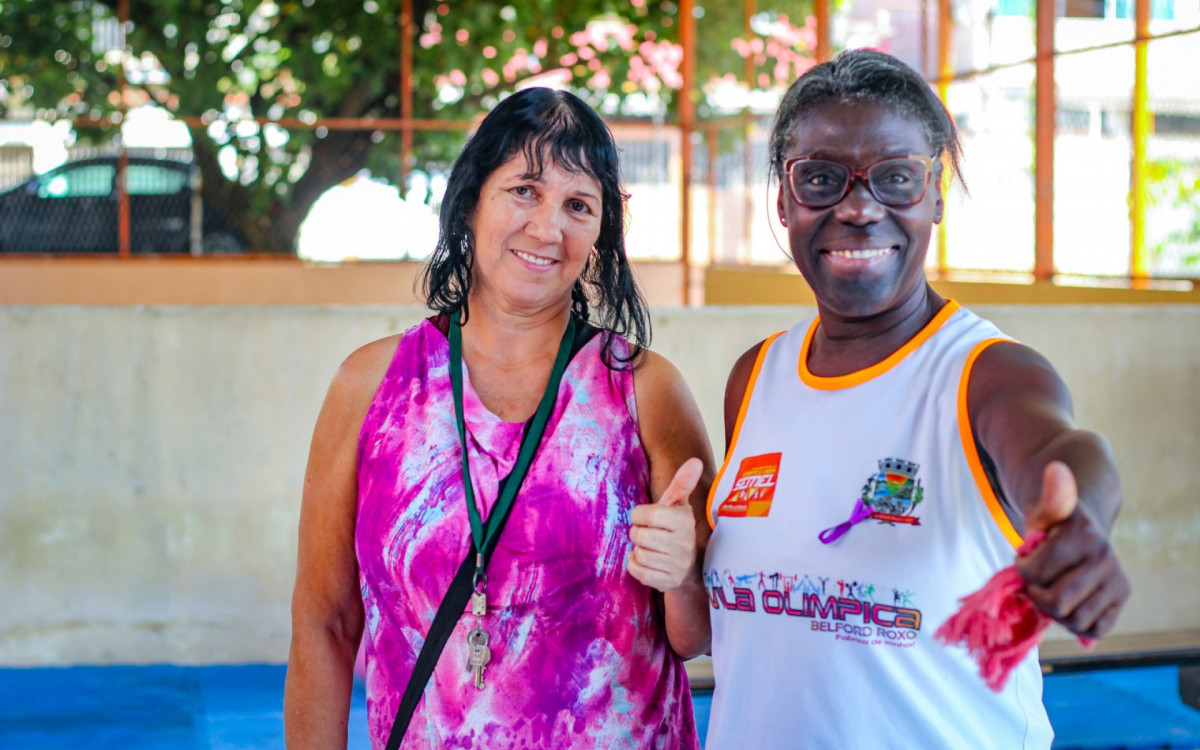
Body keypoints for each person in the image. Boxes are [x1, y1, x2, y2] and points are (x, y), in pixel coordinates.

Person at [702, 49, 1130, 748]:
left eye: (896, 179)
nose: (860, 208)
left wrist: (1082, 517)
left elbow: (1061, 450)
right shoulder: (756, 378)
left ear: (935, 195)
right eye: (820, 178)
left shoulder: (987, 373)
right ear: (784, 200)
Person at [283, 87, 714, 749]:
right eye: (525, 191)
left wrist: (684, 573)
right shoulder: (370, 388)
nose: (547, 229)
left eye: (578, 205)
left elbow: (699, 636)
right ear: (472, 200)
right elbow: (324, 623)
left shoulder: (646, 391)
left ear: (602, 231)